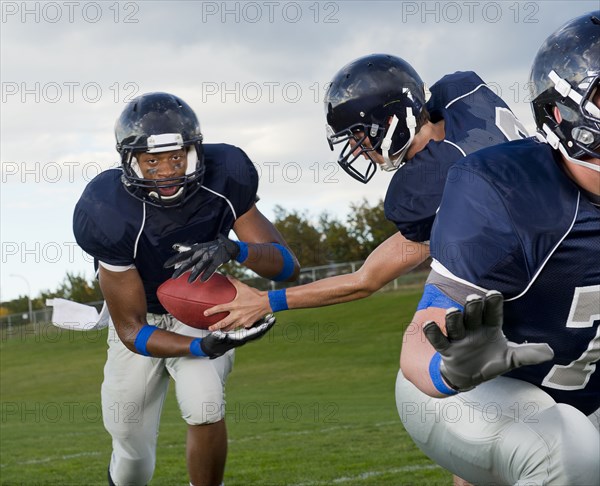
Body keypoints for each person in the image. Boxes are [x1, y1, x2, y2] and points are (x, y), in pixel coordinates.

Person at [397, 11, 599, 485]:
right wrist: (449, 368)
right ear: (563, 113)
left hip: (585, 396)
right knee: (563, 451)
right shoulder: (506, 192)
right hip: (468, 392)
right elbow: (419, 338)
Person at [202, 53, 527, 330]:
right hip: (567, 227)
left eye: (359, 134)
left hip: (529, 296)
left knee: (420, 373)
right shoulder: (464, 94)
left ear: (392, 121)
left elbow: (366, 280)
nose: (357, 149)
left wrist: (265, 301)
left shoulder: (429, 186)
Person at [73, 92, 300, 486]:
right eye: (152, 161)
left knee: (205, 405)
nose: (166, 171)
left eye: (176, 157)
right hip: (141, 318)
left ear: (195, 152)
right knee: (129, 440)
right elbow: (131, 330)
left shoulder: (226, 174)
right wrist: (199, 348)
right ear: (130, 161)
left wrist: (235, 248)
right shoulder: (106, 209)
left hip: (199, 310)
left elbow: (287, 268)